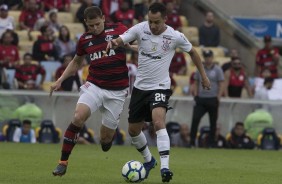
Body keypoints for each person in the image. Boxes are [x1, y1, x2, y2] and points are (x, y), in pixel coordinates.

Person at [107, 2, 210, 182]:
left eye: (156, 22)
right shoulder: (140, 29)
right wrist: (115, 42)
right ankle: (149, 160)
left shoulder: (175, 36)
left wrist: (203, 76)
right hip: (140, 88)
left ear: (165, 19)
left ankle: (165, 168)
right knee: (133, 130)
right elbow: (122, 39)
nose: (153, 26)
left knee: (158, 121)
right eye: (150, 21)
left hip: (160, 86)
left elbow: (193, 53)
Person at [50, 6, 130, 177]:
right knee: (78, 116)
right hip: (94, 85)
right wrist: (60, 80)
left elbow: (138, 42)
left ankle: (107, 139)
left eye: (97, 24)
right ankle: (62, 162)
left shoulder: (119, 30)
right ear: (85, 23)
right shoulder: (84, 40)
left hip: (117, 91)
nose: (94, 29)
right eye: (90, 25)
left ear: (103, 18)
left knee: (105, 140)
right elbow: (76, 62)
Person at [190, 49, 224, 147]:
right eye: (206, 57)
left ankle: (211, 143)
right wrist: (196, 94)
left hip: (212, 98)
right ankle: (192, 141)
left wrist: (218, 97)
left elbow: (221, 83)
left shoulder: (218, 69)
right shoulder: (200, 68)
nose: (208, 59)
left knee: (213, 122)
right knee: (195, 119)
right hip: (201, 98)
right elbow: (196, 82)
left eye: (209, 57)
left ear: (212, 58)